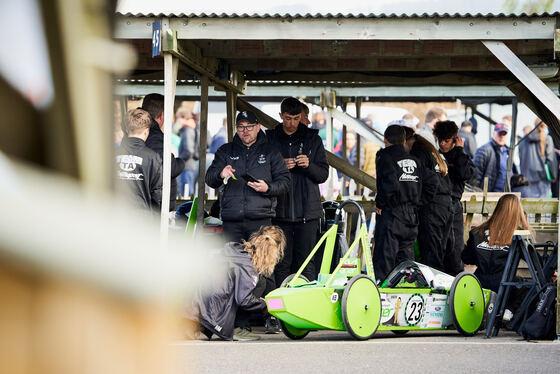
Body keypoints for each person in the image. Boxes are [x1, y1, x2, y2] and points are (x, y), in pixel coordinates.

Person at [267, 97, 329, 285]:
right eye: (287, 118)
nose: (292, 123)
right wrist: (279, 167)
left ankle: (308, 308)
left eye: (296, 118)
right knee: (280, 263)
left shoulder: (313, 139)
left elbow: (323, 174)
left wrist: (309, 165)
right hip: (279, 212)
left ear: (301, 116)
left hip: (307, 213)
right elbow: (260, 173)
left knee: (307, 264)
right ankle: (278, 309)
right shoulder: (270, 138)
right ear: (280, 116)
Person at [206, 110, 290, 243]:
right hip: (231, 221)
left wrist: (267, 188)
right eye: (241, 127)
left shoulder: (271, 152)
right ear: (236, 129)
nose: (245, 130)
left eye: (249, 126)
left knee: (260, 263)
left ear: (258, 127)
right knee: (232, 262)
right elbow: (209, 179)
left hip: (261, 222)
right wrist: (220, 174)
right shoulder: (225, 151)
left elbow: (285, 183)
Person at [194, 226, 286, 341]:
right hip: (210, 312)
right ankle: (237, 327)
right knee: (261, 282)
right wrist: (266, 305)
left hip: (196, 304)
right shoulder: (249, 266)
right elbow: (244, 299)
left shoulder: (238, 251)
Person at [462, 194, 532, 311]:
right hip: (505, 286)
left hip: (479, 284)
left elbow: (467, 258)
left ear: (498, 209)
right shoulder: (519, 235)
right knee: (528, 287)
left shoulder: (477, 232)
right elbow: (535, 262)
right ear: (517, 212)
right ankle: (508, 313)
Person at [373, 125, 421, 282]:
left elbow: (390, 186)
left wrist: (380, 204)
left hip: (392, 215)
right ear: (404, 140)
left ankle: (383, 299)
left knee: (384, 262)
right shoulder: (415, 160)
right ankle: (406, 294)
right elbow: (426, 184)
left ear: (385, 139)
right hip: (411, 216)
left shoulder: (384, 157)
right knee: (406, 263)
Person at [404, 126, 452, 272]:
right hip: (445, 204)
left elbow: (431, 181)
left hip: (433, 207)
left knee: (431, 254)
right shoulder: (429, 150)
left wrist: (419, 202)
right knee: (439, 251)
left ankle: (433, 289)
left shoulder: (417, 152)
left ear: (405, 141)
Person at [433, 120, 474, 276]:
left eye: (447, 140)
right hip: (436, 207)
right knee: (437, 249)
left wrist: (459, 151)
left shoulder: (460, 156)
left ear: (455, 139)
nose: (443, 144)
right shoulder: (434, 157)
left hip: (454, 205)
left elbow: (466, 175)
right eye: (440, 140)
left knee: (455, 250)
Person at [142, 93, 185, 211]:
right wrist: (180, 162)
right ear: (162, 115)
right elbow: (170, 167)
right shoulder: (154, 136)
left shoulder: (134, 131)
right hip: (153, 206)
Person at [115, 109, 163, 212]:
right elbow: (156, 193)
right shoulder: (153, 157)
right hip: (141, 219)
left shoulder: (111, 154)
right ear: (146, 131)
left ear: (127, 129)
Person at [518, 118, 558, 198]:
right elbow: (550, 160)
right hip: (542, 181)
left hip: (526, 182)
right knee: (542, 209)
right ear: (545, 127)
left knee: (528, 209)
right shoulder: (547, 139)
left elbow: (521, 160)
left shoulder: (522, 141)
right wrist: (553, 176)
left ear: (534, 125)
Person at [473, 122, 513, 192]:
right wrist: (479, 194)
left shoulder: (507, 151)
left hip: (505, 195)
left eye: (504, 134)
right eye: (499, 134)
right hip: (490, 196)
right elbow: (475, 176)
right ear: (493, 134)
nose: (502, 136)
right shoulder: (484, 150)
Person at [177, 109, 199, 197]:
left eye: (178, 118)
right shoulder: (190, 129)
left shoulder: (187, 130)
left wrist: (178, 161)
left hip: (187, 166)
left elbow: (189, 150)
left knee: (187, 193)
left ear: (183, 118)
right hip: (189, 165)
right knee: (189, 191)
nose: (177, 120)